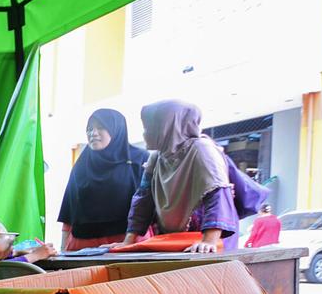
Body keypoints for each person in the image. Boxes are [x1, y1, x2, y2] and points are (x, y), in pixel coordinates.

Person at [117, 100, 239, 253]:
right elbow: (143, 198)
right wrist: (128, 240)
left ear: (167, 127)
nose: (144, 134)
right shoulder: (157, 157)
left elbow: (217, 194)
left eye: (149, 127)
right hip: (172, 237)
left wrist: (209, 241)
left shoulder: (202, 150)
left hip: (204, 235)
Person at [57, 109, 150, 251]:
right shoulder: (82, 164)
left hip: (128, 244)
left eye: (100, 127)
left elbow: (149, 203)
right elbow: (69, 210)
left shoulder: (139, 159)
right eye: (89, 129)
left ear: (116, 129)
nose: (93, 133)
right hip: (83, 247)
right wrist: (62, 250)